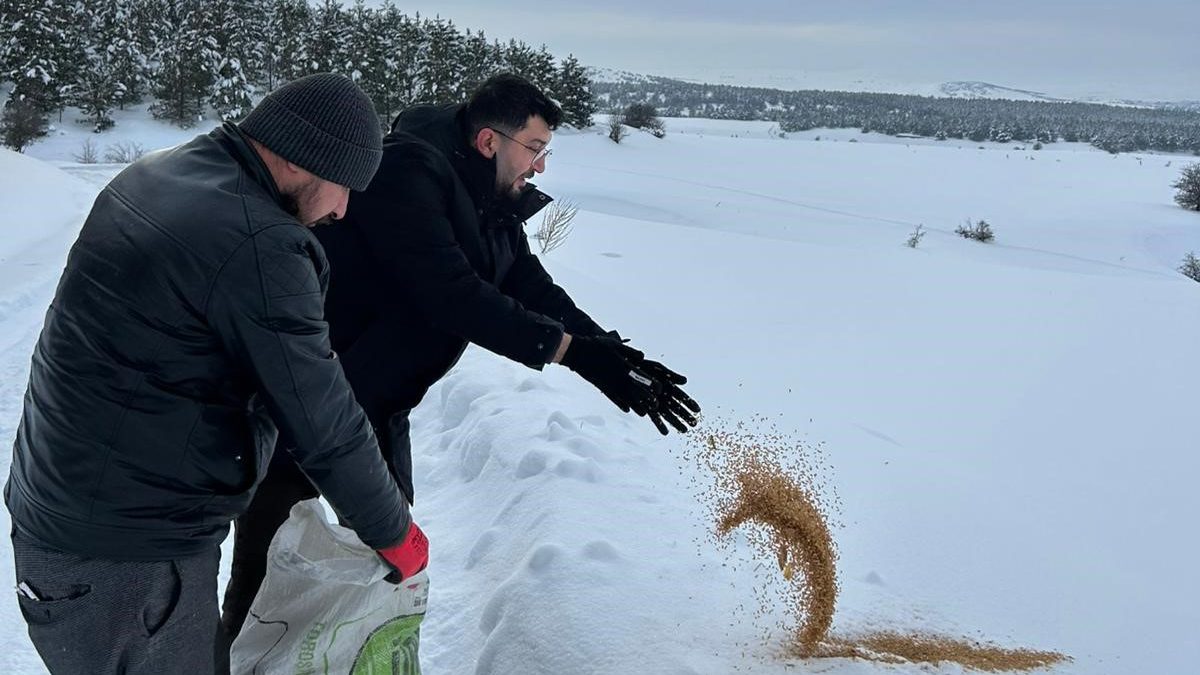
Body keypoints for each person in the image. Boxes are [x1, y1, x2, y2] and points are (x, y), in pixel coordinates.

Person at [221, 73, 700, 636]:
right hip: (311, 397)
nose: (541, 166)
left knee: (389, 559)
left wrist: (609, 353)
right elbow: (450, 293)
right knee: (266, 559)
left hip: (379, 403)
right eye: (535, 149)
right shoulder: (408, 173)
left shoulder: (487, 193)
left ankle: (344, 656)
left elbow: (526, 280)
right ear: (489, 141)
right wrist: (570, 352)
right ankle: (239, 653)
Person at [5, 73, 428, 675]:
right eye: (342, 187)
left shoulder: (163, 172)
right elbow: (322, 417)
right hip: (127, 555)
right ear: (301, 159)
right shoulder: (258, 239)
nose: (341, 209)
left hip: (73, 515)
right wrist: (394, 532)